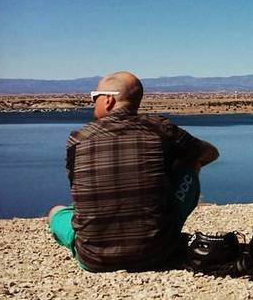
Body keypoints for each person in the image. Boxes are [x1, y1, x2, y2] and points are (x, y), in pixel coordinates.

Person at [47, 71, 219, 272]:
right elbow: (210, 153)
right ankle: (161, 233)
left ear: (109, 100)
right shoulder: (161, 129)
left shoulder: (78, 139)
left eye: (95, 97)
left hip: (93, 259)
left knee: (56, 212)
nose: (93, 102)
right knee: (191, 162)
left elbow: (77, 188)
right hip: (159, 252)